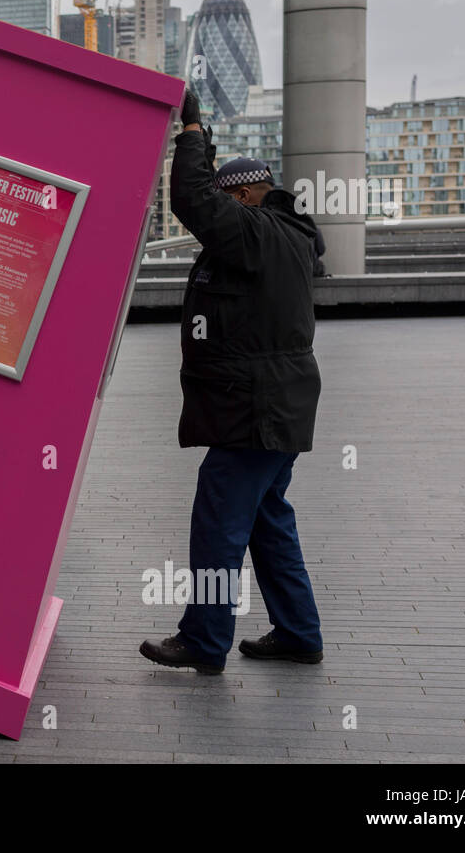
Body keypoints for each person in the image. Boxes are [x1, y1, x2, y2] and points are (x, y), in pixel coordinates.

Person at [139, 90, 324, 674]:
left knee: (219, 524)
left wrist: (191, 129)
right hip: (276, 408)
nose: (219, 217)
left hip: (256, 412)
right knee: (268, 522)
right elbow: (208, 199)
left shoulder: (256, 233)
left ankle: (204, 639)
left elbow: (192, 197)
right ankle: (297, 631)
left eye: (228, 201)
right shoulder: (281, 235)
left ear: (246, 195)